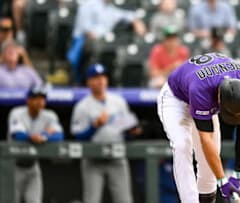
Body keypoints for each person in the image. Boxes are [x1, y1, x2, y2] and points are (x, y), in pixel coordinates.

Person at [157, 52, 240, 203]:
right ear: (218, 98)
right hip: (176, 99)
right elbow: (205, 139)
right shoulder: (202, 88)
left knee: (210, 161)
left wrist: (237, 174)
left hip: (203, 91)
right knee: (182, 145)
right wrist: (223, 181)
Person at [71, 64, 142, 203]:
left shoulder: (119, 102)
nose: (100, 80)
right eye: (96, 78)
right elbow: (77, 136)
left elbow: (126, 132)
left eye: (103, 77)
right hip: (93, 160)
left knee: (124, 200)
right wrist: (95, 126)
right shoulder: (82, 106)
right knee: (91, 200)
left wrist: (132, 132)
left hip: (117, 158)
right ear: (89, 82)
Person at [7, 85, 64, 203]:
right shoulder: (17, 113)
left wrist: (43, 136)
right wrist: (33, 137)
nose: (40, 102)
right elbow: (18, 135)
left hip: (33, 167)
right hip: (13, 166)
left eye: (42, 98)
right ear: (28, 100)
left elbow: (59, 136)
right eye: (36, 98)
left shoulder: (49, 115)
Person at [68, 0, 146, 83]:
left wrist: (136, 21)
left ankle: (110, 81)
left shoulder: (109, 8)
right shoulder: (88, 5)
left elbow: (124, 15)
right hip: (83, 41)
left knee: (116, 49)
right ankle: (83, 80)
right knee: (96, 47)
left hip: (104, 41)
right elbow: (87, 31)